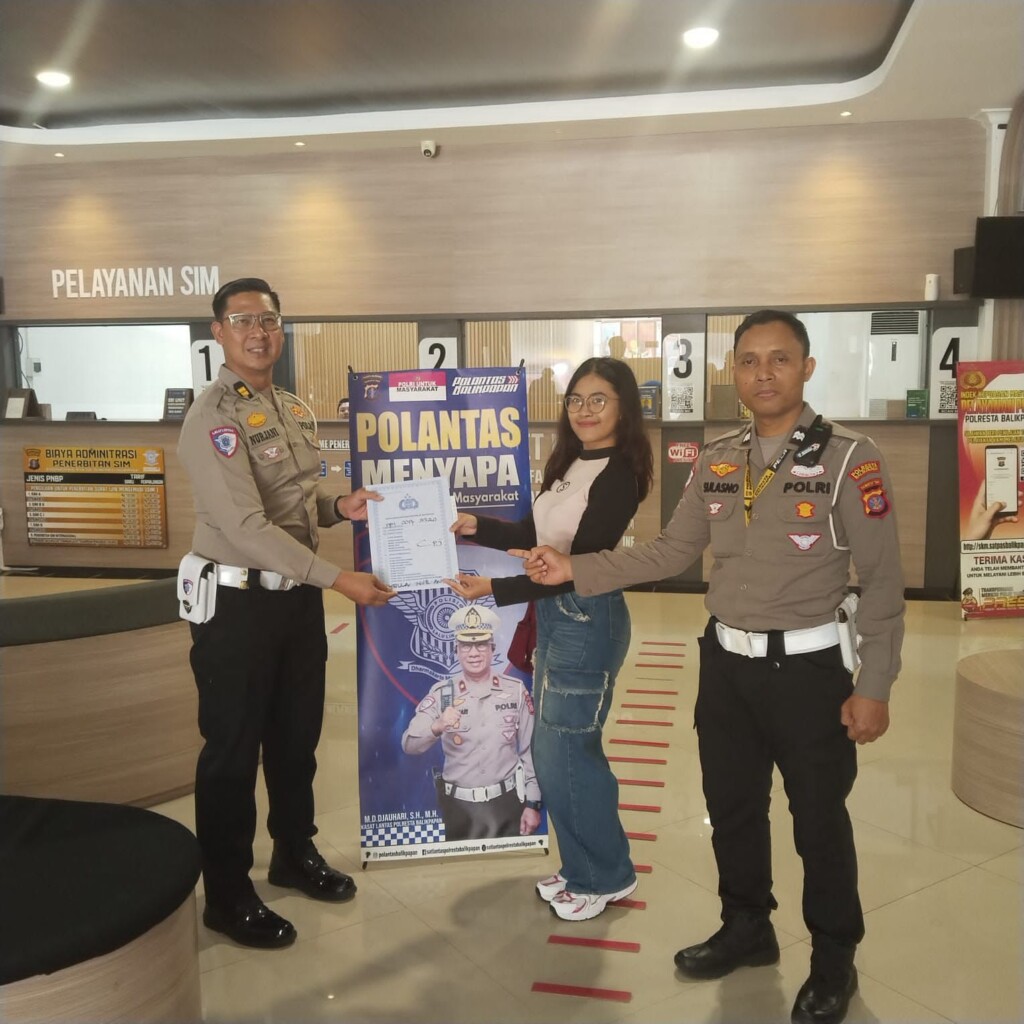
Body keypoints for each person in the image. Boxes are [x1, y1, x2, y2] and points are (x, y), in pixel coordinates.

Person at [524, 311, 905, 1024]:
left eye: (780, 359)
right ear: (734, 371)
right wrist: (575, 569)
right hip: (726, 664)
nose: (764, 373)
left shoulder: (852, 458)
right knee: (732, 808)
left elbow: (882, 580)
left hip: (810, 670)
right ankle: (747, 926)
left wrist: (875, 684)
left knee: (818, 821)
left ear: (807, 368)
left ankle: (833, 958)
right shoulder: (720, 457)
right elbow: (671, 551)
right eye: (750, 360)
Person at [178, 277, 396, 950]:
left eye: (268, 320)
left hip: (294, 600)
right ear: (218, 332)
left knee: (296, 740)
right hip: (237, 604)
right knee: (233, 750)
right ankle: (227, 893)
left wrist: (338, 506)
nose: (258, 332)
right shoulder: (212, 418)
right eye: (243, 320)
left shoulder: (290, 408)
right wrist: (339, 579)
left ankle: (293, 853)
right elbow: (245, 526)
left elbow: (295, 499)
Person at [445, 356, 655, 921]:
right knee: (553, 750)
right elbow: (534, 536)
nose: (585, 410)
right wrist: (478, 526)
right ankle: (583, 864)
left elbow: (573, 566)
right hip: (557, 618)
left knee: (570, 751)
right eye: (576, 399)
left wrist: (493, 588)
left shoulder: (620, 474)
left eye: (599, 400)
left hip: (586, 618)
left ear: (623, 409)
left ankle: (605, 876)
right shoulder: (570, 463)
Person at [400, 604, 541, 840]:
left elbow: (529, 750)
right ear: (456, 650)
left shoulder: (515, 690)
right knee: (461, 862)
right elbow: (409, 745)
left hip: (508, 804)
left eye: (481, 645)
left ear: (492, 648)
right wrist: (437, 726)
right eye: (466, 645)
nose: (474, 653)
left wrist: (533, 803)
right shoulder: (442, 693)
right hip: (459, 808)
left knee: (508, 861)